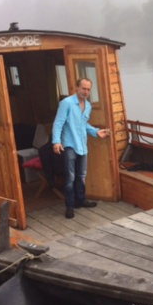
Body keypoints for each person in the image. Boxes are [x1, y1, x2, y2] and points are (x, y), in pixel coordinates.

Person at [52, 78, 109, 218]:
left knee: (81, 176)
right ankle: (70, 206)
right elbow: (58, 123)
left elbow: (84, 125)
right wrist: (56, 142)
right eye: (83, 88)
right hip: (70, 144)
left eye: (88, 89)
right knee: (70, 177)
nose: (86, 92)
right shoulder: (66, 103)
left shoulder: (88, 106)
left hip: (82, 145)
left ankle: (81, 200)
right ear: (77, 88)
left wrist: (96, 131)